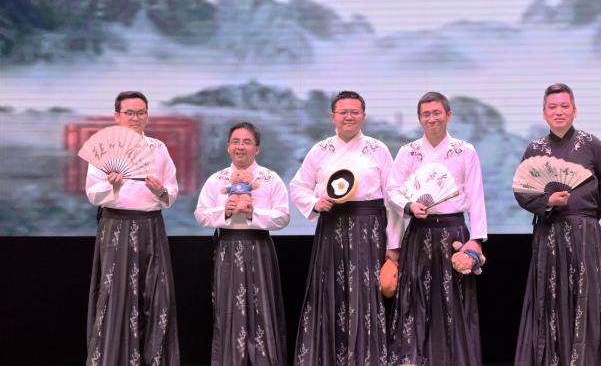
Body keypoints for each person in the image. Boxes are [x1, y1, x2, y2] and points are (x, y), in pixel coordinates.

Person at [290, 90, 403, 365]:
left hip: (370, 228)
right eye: (343, 112)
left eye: (354, 112)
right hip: (332, 228)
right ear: (333, 116)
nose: (349, 117)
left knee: (366, 295)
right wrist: (315, 203)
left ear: (363, 115)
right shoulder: (320, 150)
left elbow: (393, 197)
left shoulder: (378, 149)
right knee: (331, 293)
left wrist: (394, 243)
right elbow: (298, 186)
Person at [514, 83, 601, 366]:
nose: (558, 112)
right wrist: (548, 202)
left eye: (564, 106)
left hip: (585, 235)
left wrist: (587, 217)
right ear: (544, 113)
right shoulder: (535, 149)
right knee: (549, 300)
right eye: (552, 107)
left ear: (574, 110)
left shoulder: (591, 144)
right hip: (549, 232)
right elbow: (522, 190)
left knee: (587, 300)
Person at [386, 91, 488, 366]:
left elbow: (476, 197)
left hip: (454, 233)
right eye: (426, 114)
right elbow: (392, 191)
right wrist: (409, 205)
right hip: (418, 233)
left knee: (454, 301)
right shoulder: (408, 151)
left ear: (448, 115)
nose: (432, 119)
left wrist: (476, 241)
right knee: (415, 301)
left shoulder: (465, 150)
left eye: (437, 113)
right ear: (419, 119)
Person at [85, 90, 180, 365]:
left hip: (151, 226)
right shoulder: (104, 148)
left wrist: (161, 191)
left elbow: (172, 190)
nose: (136, 118)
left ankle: (155, 359)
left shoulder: (159, 148)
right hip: (116, 226)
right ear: (117, 116)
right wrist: (112, 186)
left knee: (157, 295)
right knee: (115, 295)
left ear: (147, 116)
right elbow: (92, 194)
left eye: (141, 112)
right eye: (129, 113)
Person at [194, 122, 290, 365]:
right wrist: (224, 211)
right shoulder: (216, 180)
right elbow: (201, 215)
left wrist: (252, 214)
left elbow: (282, 217)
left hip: (259, 247)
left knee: (262, 308)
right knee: (228, 309)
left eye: (247, 142)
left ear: (257, 148)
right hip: (226, 248)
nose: (240, 146)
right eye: (235, 141)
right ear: (228, 147)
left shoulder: (270, 178)